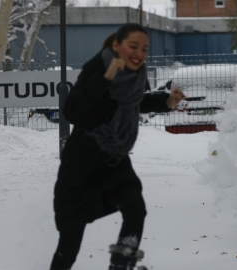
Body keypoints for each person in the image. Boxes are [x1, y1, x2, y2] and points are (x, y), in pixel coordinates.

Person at [50, 23, 186, 270]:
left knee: (135, 209)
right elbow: (72, 111)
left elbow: (137, 102)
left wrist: (167, 101)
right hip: (82, 162)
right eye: (133, 46)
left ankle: (120, 264)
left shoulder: (136, 74)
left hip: (114, 160)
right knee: (70, 242)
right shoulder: (97, 67)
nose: (139, 53)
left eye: (144, 49)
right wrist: (106, 77)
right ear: (116, 45)